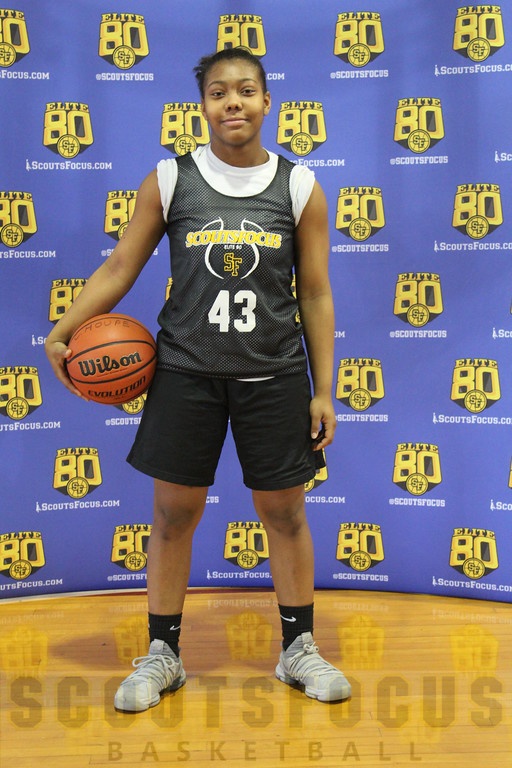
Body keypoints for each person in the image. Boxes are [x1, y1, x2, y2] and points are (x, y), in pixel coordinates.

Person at [46, 47, 351, 711]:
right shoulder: (170, 179)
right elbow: (120, 267)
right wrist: (62, 330)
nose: (232, 102)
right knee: (172, 514)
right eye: (218, 92)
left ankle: (298, 648)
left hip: (273, 372)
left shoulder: (299, 186)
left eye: (245, 90)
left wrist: (324, 388)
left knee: (285, 512)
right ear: (203, 106)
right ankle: (163, 654)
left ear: (267, 102)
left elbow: (316, 293)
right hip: (186, 371)